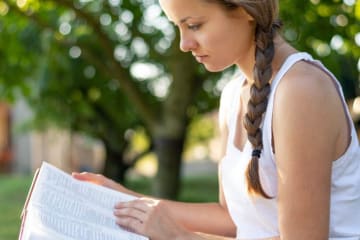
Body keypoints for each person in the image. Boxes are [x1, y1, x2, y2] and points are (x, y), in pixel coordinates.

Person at [73, 0, 360, 239]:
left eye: (194, 25)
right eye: (178, 27)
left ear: (245, 9)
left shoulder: (301, 91)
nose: (184, 44)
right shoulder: (234, 94)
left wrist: (181, 237)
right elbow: (233, 220)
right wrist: (128, 202)